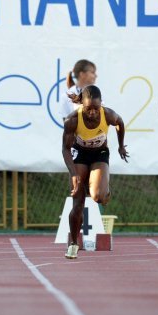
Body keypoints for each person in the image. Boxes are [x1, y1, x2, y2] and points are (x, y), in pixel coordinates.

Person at [61, 85, 128, 259]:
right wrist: (74, 174)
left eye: (95, 108)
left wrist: (121, 146)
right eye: (88, 108)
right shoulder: (72, 120)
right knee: (77, 201)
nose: (92, 112)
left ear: (101, 105)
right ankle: (74, 244)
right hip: (80, 155)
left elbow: (120, 123)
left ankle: (105, 192)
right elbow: (65, 149)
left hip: (99, 154)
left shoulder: (108, 114)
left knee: (97, 196)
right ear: (81, 104)